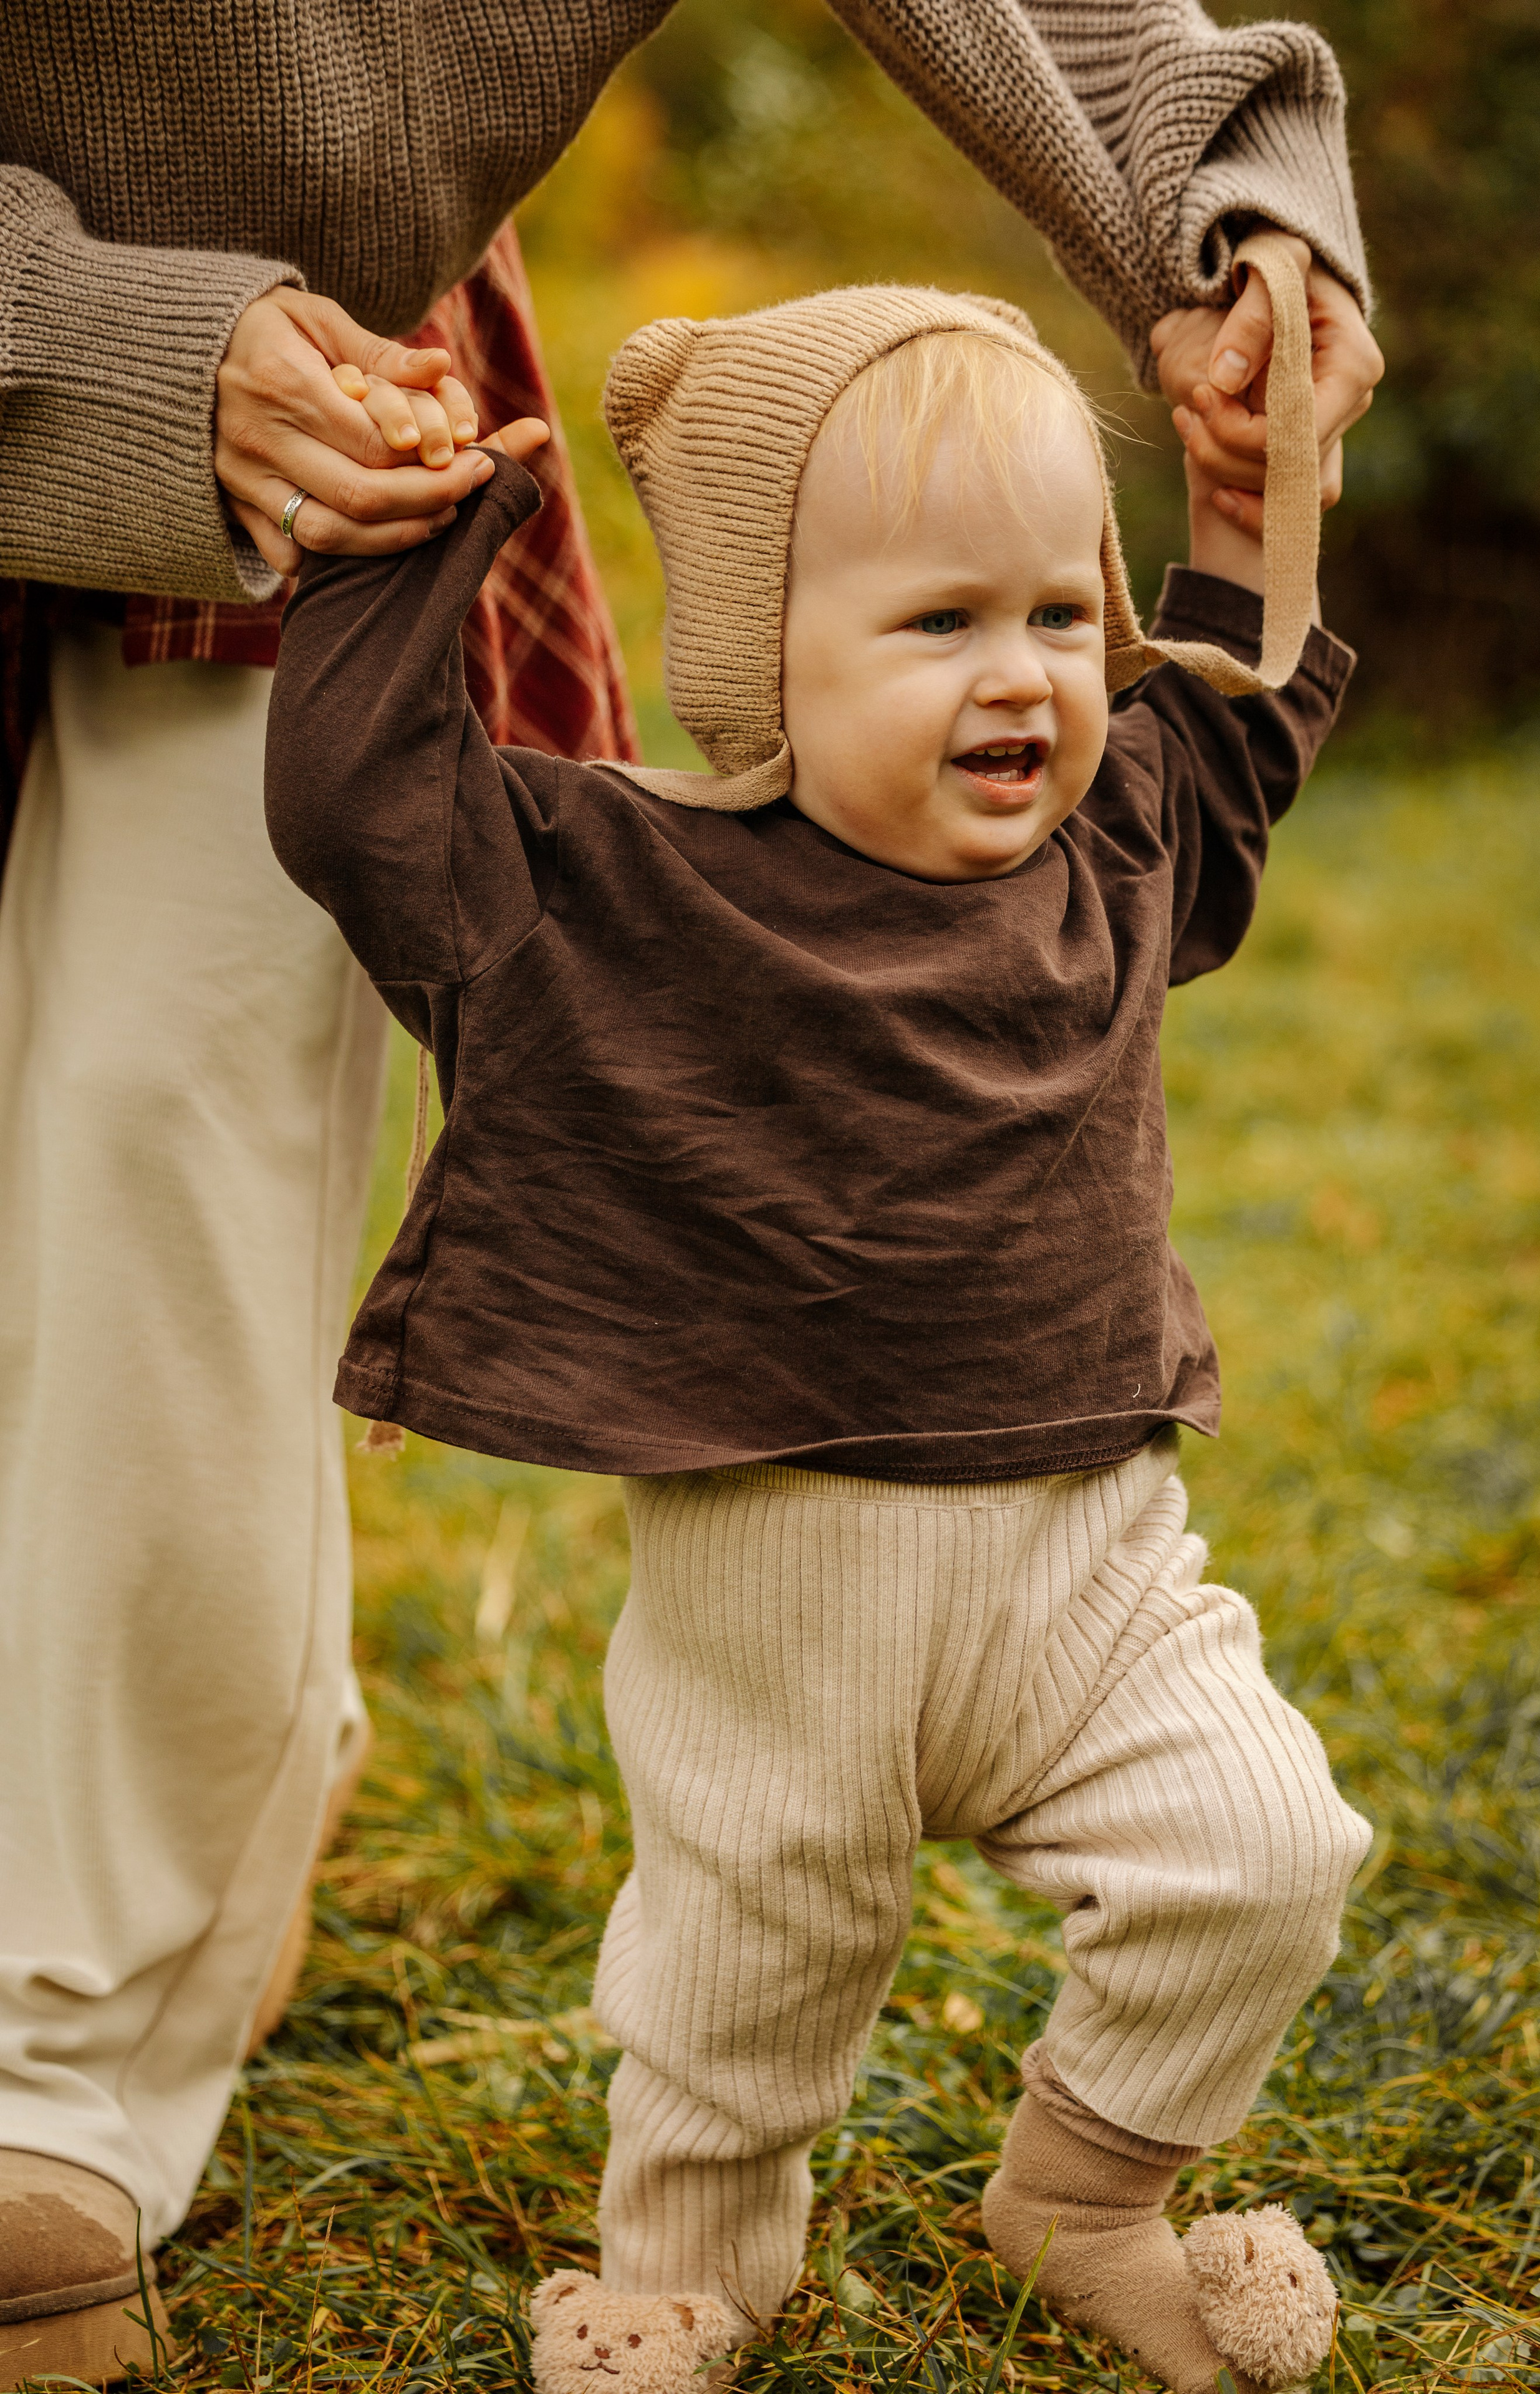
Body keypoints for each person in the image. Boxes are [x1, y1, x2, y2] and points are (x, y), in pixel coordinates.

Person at [0, 6, 1380, 2384]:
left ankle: (1086, 2189)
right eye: (939, 623)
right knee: (742, 2004)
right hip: (780, 1635)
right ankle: (680, 2289)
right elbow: (368, 810)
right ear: (758, 661)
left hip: (1091, 1582)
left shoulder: (1117, 848)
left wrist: (1245, 405)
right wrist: (412, 553)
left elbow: (1234, 711)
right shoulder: (610, 891)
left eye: (1061, 615)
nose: (1028, 679)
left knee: (1276, 1848)